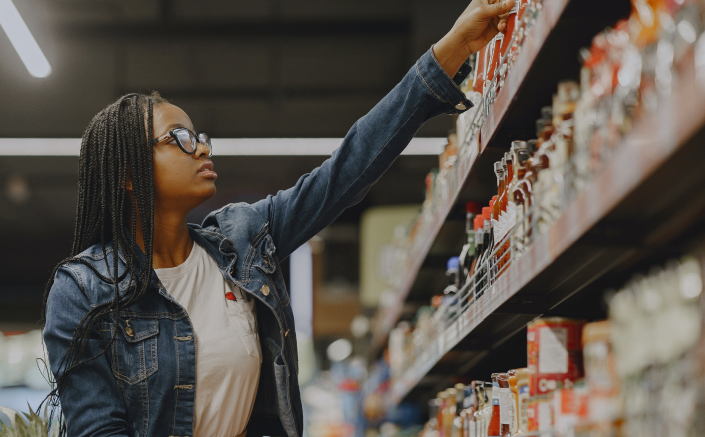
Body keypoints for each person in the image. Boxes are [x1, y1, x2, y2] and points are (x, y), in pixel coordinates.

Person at [42, 0, 516, 435]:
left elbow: (346, 170)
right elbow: (98, 429)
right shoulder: (83, 291)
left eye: (199, 135)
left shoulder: (241, 241)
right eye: (180, 139)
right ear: (128, 174)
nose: (203, 146)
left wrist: (451, 49)